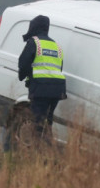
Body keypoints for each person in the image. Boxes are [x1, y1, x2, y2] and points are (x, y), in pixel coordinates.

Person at [18, 15, 67, 146]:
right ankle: (49, 152)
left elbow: (23, 62)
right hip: (57, 90)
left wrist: (23, 76)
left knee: (38, 123)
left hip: (41, 89)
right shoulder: (56, 45)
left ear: (34, 27)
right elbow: (58, 67)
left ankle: (40, 155)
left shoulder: (34, 42)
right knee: (48, 122)